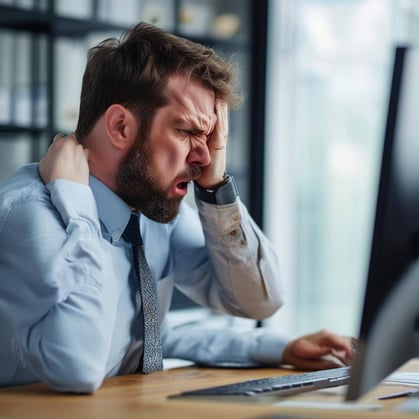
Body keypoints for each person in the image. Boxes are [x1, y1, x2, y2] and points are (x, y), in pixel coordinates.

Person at [0, 22, 354, 393]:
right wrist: (77, 207)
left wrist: (217, 188)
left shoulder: (150, 213)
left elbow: (256, 301)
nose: (204, 156)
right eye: (187, 132)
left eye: (210, 137)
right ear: (121, 126)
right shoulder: (30, 217)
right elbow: (80, 366)